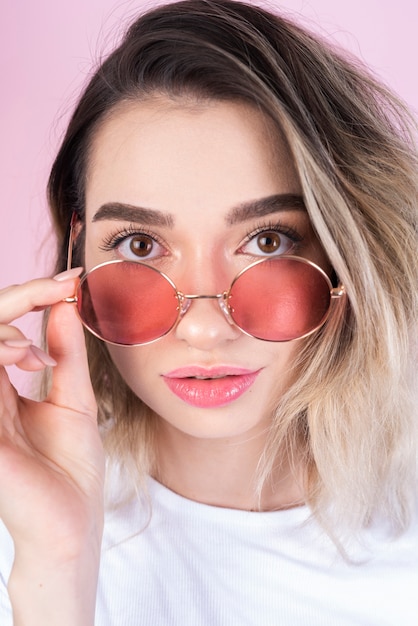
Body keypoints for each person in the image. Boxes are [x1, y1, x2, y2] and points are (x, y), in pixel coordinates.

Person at [1, 0, 417, 623]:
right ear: (77, 253)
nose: (202, 327)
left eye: (268, 241)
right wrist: (57, 565)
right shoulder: (22, 532)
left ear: (346, 252)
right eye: (139, 246)